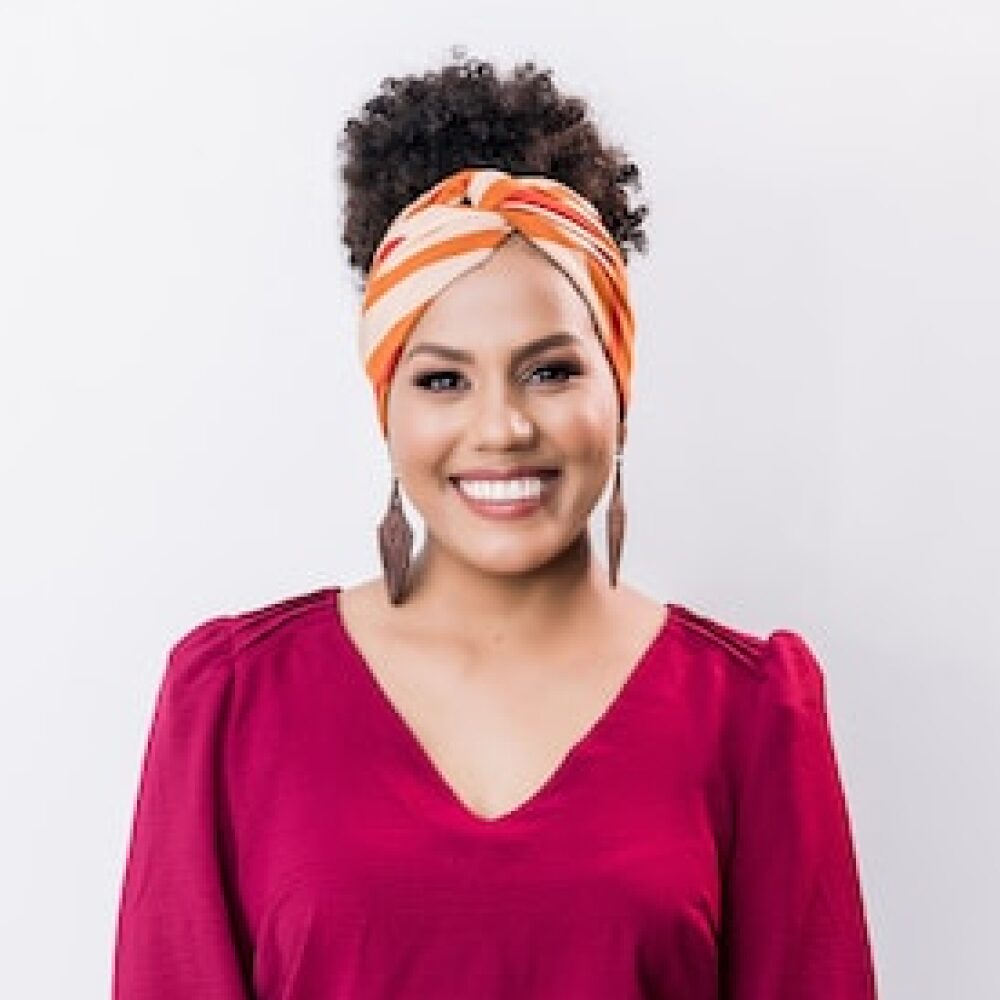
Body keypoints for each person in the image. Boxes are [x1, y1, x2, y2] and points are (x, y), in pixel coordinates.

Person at [111, 50, 879, 999]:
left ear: (618, 387)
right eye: (443, 379)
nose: (503, 427)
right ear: (387, 405)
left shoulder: (755, 712)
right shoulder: (231, 702)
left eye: (550, 371)